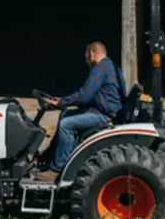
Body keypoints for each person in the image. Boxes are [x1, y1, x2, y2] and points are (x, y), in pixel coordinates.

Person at [37, 41, 126, 180]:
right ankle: (50, 157)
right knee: (65, 114)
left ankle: (57, 169)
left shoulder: (100, 68)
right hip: (102, 111)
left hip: (104, 116)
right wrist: (61, 102)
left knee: (66, 124)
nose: (86, 59)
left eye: (86, 56)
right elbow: (93, 95)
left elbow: (85, 95)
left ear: (91, 54)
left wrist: (61, 101)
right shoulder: (112, 66)